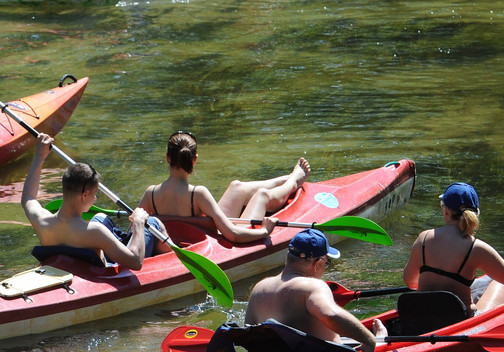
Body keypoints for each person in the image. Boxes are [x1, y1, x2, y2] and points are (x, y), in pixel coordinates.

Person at [403, 183, 504, 316]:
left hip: (420, 317)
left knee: (487, 280)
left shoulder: (423, 238)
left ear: (445, 211)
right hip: (459, 320)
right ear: (475, 214)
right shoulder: (476, 248)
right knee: (502, 282)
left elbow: (410, 281)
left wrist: (437, 284)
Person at [21, 133, 169, 270]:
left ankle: (122, 242)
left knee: (100, 217)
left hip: (74, 265)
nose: (95, 198)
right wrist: (138, 222)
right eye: (95, 194)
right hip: (105, 272)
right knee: (153, 223)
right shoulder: (95, 232)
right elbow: (135, 262)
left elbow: (28, 197)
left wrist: (39, 156)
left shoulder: (42, 221)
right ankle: (171, 260)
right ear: (85, 194)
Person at [138, 131, 308, 243]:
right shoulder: (198, 194)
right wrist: (264, 231)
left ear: (168, 158)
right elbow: (232, 234)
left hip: (188, 236)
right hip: (210, 242)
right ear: (194, 159)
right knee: (262, 195)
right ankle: (293, 182)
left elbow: (135, 230)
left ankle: (286, 178)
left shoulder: (150, 193)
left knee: (237, 187)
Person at [246, 229, 385, 351]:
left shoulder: (259, 289)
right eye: (326, 262)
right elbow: (329, 314)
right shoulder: (311, 287)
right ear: (318, 264)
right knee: (381, 339)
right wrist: (370, 339)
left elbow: (248, 336)